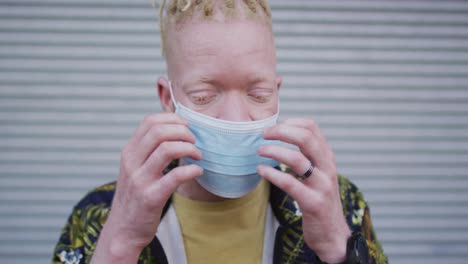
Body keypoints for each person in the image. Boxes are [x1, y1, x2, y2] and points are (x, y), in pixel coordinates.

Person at [52, 0, 387, 263]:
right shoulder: (99, 214)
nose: (236, 118)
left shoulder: (336, 202)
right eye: (204, 96)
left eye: (258, 94)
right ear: (168, 99)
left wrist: (339, 248)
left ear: (278, 91)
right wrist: (119, 244)